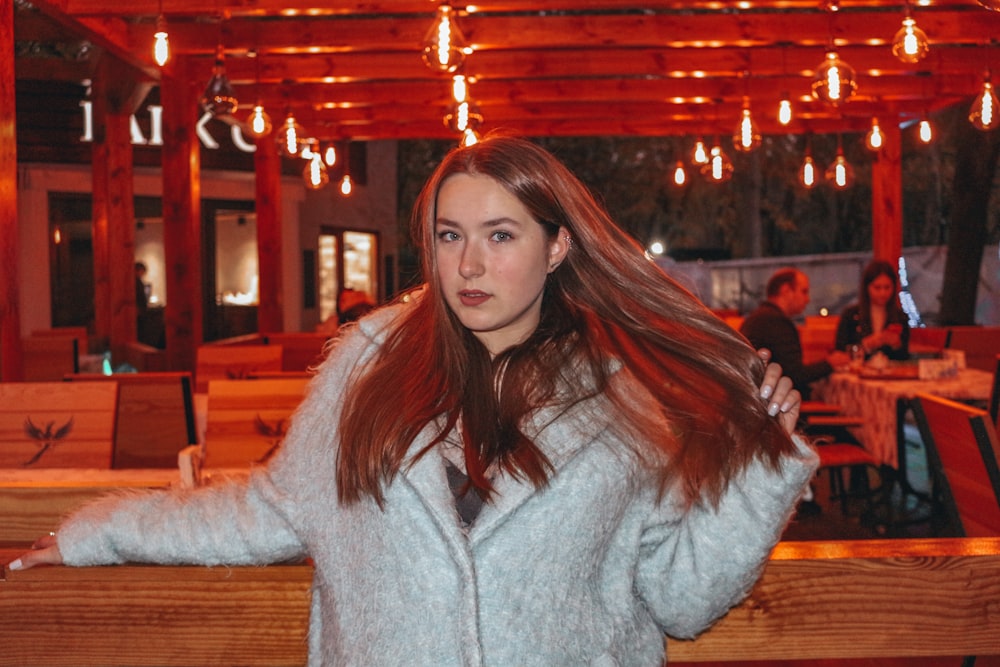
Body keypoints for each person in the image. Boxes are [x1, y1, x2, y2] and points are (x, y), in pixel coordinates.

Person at [10, 136, 816, 666]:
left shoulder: (624, 400)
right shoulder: (367, 368)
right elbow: (267, 510)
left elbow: (681, 598)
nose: (469, 262)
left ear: (558, 245)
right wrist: (99, 532)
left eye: (501, 235)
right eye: (448, 234)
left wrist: (765, 468)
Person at [740, 267, 850, 400]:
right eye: (804, 291)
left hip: (755, 397)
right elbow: (795, 375)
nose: (808, 299)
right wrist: (830, 363)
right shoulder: (775, 321)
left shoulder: (760, 316)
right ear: (786, 290)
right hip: (771, 404)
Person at [835, 259, 909, 361]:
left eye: (887, 287)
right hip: (857, 372)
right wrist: (866, 345)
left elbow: (904, 357)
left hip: (890, 373)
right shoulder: (850, 315)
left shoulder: (900, 317)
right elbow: (840, 352)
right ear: (867, 287)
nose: (883, 293)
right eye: (877, 288)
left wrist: (896, 344)